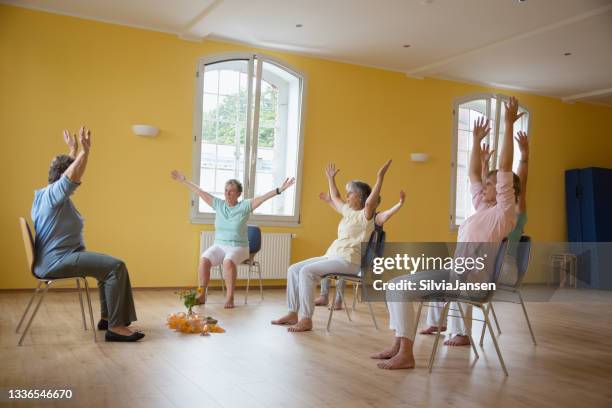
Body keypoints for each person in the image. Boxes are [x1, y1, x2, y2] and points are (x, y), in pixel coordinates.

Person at [372, 97, 523, 369]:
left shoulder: (504, 213)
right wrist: (476, 142)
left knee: (402, 289)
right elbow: (473, 173)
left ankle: (406, 353)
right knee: (395, 285)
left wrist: (508, 125)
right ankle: (398, 343)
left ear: (504, 191)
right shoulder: (482, 207)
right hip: (457, 272)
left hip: (471, 280)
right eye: (488, 184)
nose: (486, 185)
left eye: (492, 184)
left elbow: (503, 169)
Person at [32, 127, 144, 342]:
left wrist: (72, 150)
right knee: (116, 266)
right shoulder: (56, 194)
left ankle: (107, 318)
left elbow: (66, 172)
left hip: (54, 258)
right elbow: (70, 176)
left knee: (106, 269)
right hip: (57, 261)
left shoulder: (46, 194)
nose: (75, 185)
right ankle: (116, 327)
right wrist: (86, 151)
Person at [271, 160, 391, 332]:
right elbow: (335, 196)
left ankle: (306, 318)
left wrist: (380, 178)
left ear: (361, 197)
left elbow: (371, 202)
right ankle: (292, 313)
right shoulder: (348, 212)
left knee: (307, 272)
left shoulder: (366, 215)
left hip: (349, 260)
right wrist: (330, 178)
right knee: (293, 269)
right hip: (333, 255)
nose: (347, 196)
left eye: (350, 193)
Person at [171, 170, 295, 308]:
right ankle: (201, 295)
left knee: (228, 262)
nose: (227, 193)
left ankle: (230, 297)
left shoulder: (244, 206)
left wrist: (280, 190)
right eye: (225, 190)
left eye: (231, 191)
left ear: (238, 194)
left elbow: (263, 197)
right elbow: (200, 192)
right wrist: (184, 180)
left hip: (239, 247)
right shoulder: (218, 205)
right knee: (204, 259)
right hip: (220, 245)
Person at [315, 190, 405, 310]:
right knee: (330, 259)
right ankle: (324, 295)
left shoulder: (375, 218)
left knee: (343, 262)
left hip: (362, 257)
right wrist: (329, 200)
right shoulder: (358, 215)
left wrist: (399, 203)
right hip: (351, 253)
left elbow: (387, 214)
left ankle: (338, 300)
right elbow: (340, 207)